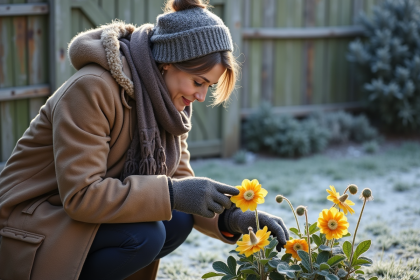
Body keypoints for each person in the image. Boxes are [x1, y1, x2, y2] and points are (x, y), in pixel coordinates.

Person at [0, 0, 289, 279]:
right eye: (198, 82)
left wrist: (232, 219)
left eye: (209, 86)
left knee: (178, 219)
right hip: (35, 216)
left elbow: (182, 183)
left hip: (78, 214)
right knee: (147, 234)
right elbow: (81, 196)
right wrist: (173, 194)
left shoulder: (167, 105)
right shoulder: (91, 89)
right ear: (167, 63)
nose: (201, 97)